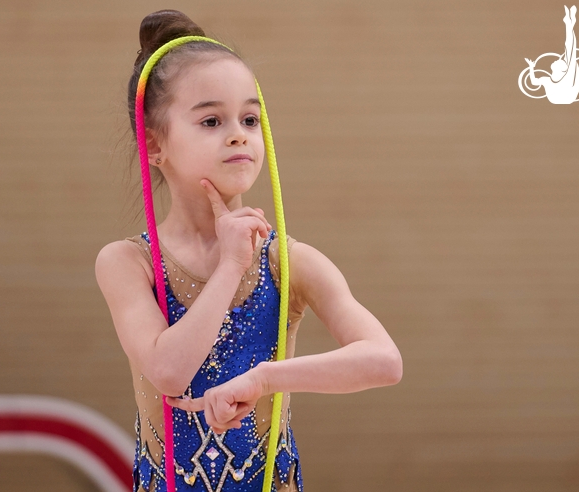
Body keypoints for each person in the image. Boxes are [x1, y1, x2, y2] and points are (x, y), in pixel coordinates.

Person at [95, 9, 402, 492]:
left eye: (251, 118)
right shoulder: (127, 262)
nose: (239, 133)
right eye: (212, 120)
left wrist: (264, 379)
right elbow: (170, 372)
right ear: (154, 144)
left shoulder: (288, 261)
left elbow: (384, 360)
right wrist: (231, 263)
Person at [525, 5, 579, 104]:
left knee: (570, 51)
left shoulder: (556, 79)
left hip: (564, 96)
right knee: (570, 52)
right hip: (564, 97)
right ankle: (569, 23)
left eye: (559, 61)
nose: (557, 59)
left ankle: (569, 23)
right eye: (560, 61)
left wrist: (531, 68)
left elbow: (534, 82)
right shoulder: (551, 79)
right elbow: (533, 82)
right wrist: (531, 67)